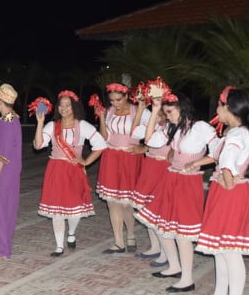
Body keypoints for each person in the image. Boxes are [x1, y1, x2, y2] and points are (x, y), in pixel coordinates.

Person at [135, 91, 216, 292]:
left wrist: (197, 162)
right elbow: (150, 141)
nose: (168, 115)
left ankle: (187, 279)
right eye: (166, 112)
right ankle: (174, 266)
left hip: (188, 182)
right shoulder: (173, 127)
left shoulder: (200, 127)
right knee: (160, 224)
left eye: (170, 111)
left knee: (182, 232)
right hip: (171, 178)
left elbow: (217, 151)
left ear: (182, 108)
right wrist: (155, 111)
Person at [194, 87, 249, 295]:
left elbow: (228, 164)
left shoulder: (237, 134)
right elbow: (223, 161)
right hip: (227, 192)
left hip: (230, 194)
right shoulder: (234, 131)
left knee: (231, 251)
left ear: (229, 108)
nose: (216, 111)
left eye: (219, 106)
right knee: (220, 247)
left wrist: (227, 181)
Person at [33, 90, 106, 256]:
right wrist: (40, 122)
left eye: (68, 105)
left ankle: (71, 233)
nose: (64, 108)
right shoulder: (52, 126)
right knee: (57, 210)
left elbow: (100, 144)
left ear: (74, 107)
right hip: (56, 170)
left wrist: (86, 161)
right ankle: (59, 246)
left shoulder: (82, 125)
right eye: (61, 105)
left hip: (74, 170)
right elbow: (38, 145)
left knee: (75, 207)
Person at [95, 83, 150, 254]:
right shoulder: (110, 111)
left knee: (126, 203)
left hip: (130, 158)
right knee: (112, 201)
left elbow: (158, 131)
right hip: (111, 156)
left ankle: (131, 235)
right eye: (112, 101)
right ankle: (118, 242)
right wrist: (102, 117)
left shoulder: (139, 111)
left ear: (126, 96)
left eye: (118, 100)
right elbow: (105, 137)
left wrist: (145, 148)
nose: (115, 103)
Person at [0, 83, 22, 259]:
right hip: (6, 171)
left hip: (2, 172)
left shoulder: (8, 122)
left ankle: (1, 249)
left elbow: (4, 152)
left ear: (0, 102)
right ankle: (0, 245)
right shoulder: (9, 119)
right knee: (3, 207)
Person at [130, 103, 170, 262]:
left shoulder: (174, 125)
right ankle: (155, 247)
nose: (158, 111)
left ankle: (166, 253)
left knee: (158, 210)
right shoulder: (155, 121)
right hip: (151, 165)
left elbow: (158, 142)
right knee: (145, 207)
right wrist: (141, 109)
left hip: (164, 167)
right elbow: (135, 132)